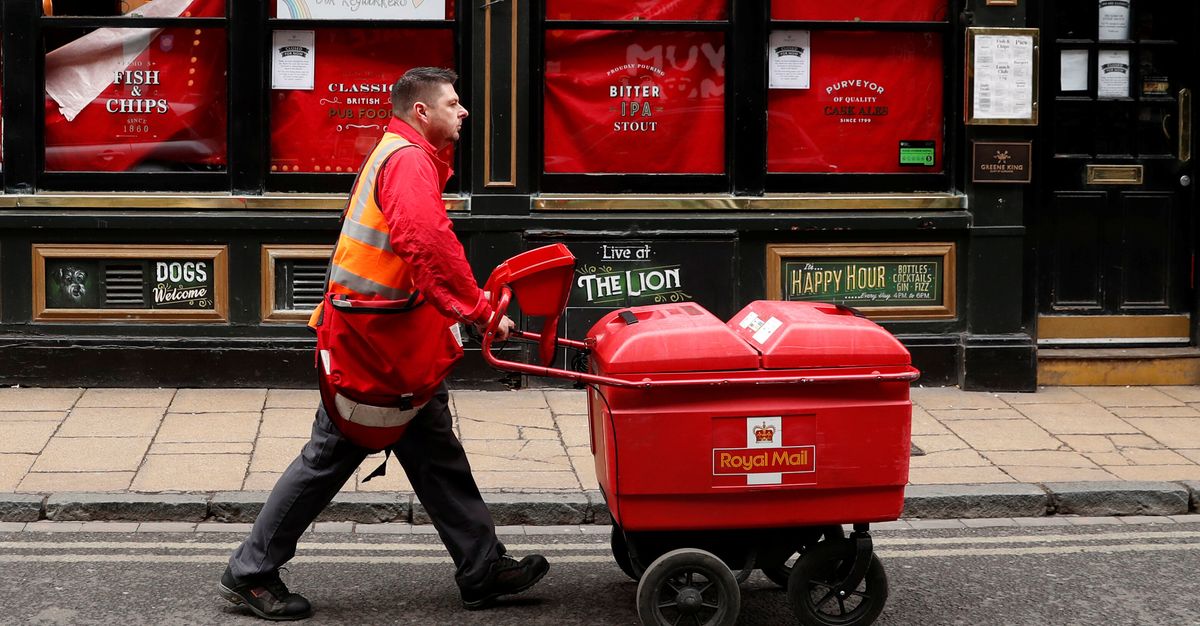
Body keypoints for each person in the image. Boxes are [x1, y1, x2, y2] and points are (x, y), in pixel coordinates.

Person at [219, 67, 549, 621]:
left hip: (396, 343)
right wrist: (480, 311)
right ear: (421, 111)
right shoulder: (407, 161)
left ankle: (481, 567)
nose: (464, 111)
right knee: (329, 454)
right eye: (453, 102)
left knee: (436, 453)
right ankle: (250, 571)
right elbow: (428, 244)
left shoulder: (403, 154)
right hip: (372, 349)